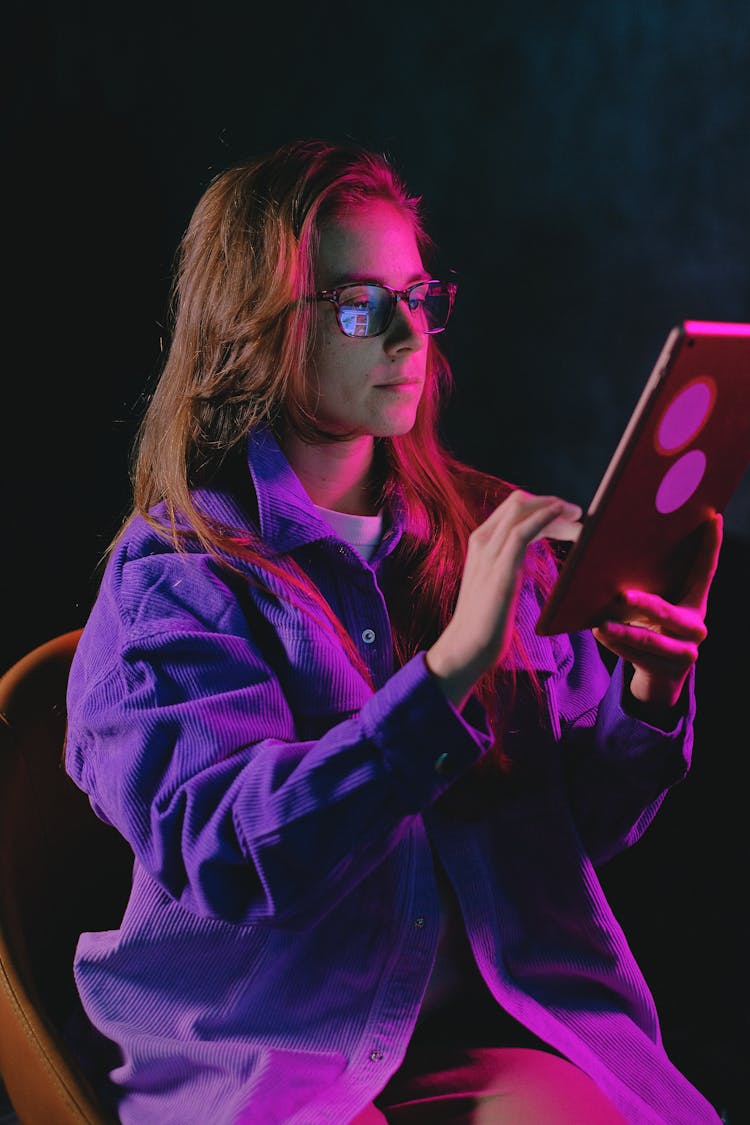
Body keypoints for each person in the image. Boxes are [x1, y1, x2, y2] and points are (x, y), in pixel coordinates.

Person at [64, 138, 724, 1125]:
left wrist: (648, 696)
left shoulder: (487, 532)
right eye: (361, 304)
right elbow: (233, 858)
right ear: (253, 325)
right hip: (267, 1048)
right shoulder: (175, 578)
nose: (409, 338)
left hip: (480, 1039)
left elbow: (579, 829)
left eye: (419, 298)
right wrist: (450, 671)